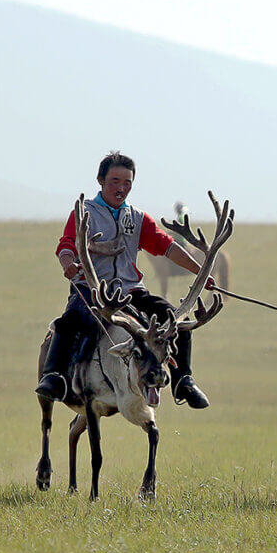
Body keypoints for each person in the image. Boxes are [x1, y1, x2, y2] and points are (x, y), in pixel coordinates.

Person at [35, 151, 212, 408]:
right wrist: (68, 265)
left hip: (131, 290)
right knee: (69, 321)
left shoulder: (138, 218)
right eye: (115, 181)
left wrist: (201, 273)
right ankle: (54, 377)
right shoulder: (85, 213)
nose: (121, 188)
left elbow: (166, 246)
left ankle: (183, 379)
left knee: (175, 319)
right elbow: (66, 244)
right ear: (101, 181)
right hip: (93, 289)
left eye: (127, 182)